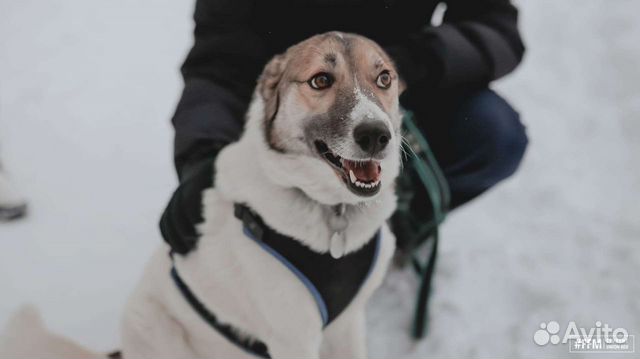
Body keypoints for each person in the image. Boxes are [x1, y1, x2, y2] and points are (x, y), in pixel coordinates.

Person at [160, 0, 528, 266]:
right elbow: (219, 65)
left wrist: (413, 62)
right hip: (293, 106)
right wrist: (203, 158)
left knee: (494, 134)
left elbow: (495, 26)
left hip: (402, 85)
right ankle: (286, 241)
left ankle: (393, 230)